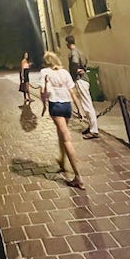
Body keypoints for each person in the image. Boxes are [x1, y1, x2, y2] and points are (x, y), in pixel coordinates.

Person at [40, 51, 85, 190]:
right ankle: (62, 160)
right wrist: (79, 109)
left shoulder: (45, 72)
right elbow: (72, 92)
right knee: (61, 135)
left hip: (56, 106)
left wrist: (43, 105)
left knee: (66, 139)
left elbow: (43, 91)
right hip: (67, 106)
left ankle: (78, 177)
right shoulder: (64, 72)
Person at [65, 35, 99, 140]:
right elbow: (85, 61)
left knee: (87, 105)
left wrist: (75, 72)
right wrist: (82, 68)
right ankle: (91, 126)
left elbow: (75, 62)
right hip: (84, 78)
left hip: (80, 79)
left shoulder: (74, 53)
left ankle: (94, 130)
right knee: (87, 104)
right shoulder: (80, 51)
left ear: (67, 43)